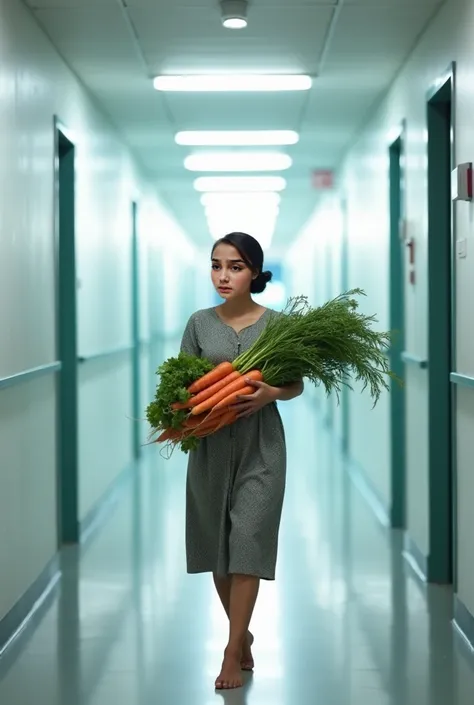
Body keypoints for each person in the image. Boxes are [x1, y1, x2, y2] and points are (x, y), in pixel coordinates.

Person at [180, 232, 304, 690]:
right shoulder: (198, 323)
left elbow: (295, 383)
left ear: (254, 271)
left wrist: (272, 392)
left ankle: (232, 652)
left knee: (248, 540)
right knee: (219, 549)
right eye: (216, 265)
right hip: (209, 445)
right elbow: (182, 384)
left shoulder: (278, 325)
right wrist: (190, 410)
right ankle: (243, 632)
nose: (223, 276)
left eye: (235, 266)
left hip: (261, 445)